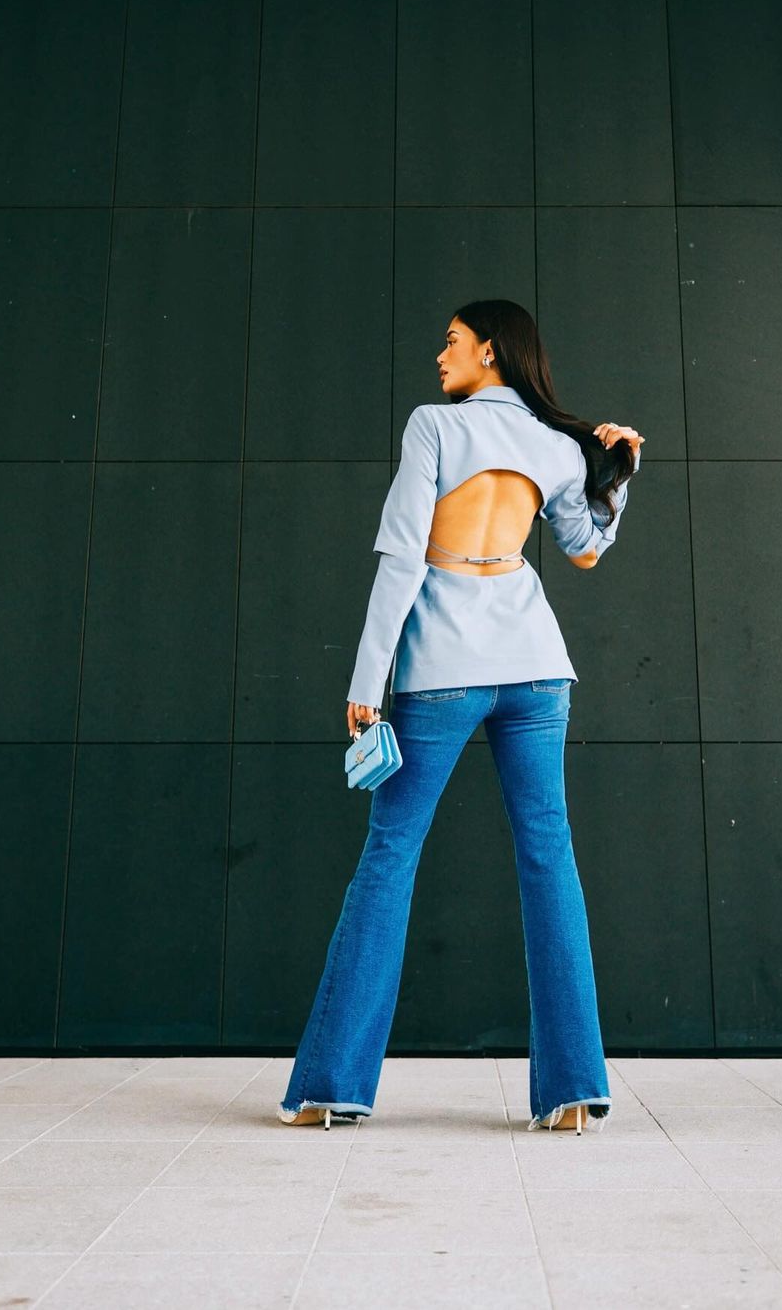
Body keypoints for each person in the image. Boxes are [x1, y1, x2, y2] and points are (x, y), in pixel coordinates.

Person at [277, 299, 644, 1134]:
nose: (440, 355)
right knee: (549, 857)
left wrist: (368, 675)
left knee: (390, 854)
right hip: (537, 664)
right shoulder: (556, 447)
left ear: (490, 349)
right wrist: (618, 474)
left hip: (442, 664)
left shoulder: (434, 428)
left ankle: (332, 1084)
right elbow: (585, 547)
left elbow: (404, 553)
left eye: (451, 341)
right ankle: (574, 1093)